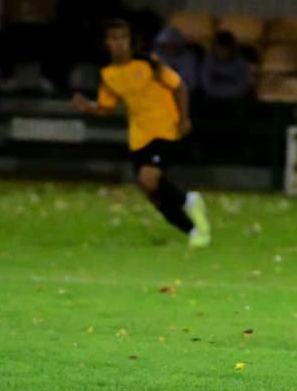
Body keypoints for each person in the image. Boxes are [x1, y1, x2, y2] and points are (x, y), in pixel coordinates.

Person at [72, 19, 212, 247]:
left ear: (130, 41)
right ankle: (194, 231)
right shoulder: (108, 74)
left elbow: (179, 86)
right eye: (114, 38)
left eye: (123, 38)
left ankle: (189, 200)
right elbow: (107, 107)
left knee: (149, 177)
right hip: (139, 137)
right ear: (107, 43)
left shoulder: (149, 64)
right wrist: (89, 107)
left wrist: (184, 118)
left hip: (164, 129)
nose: (119, 43)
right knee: (152, 193)